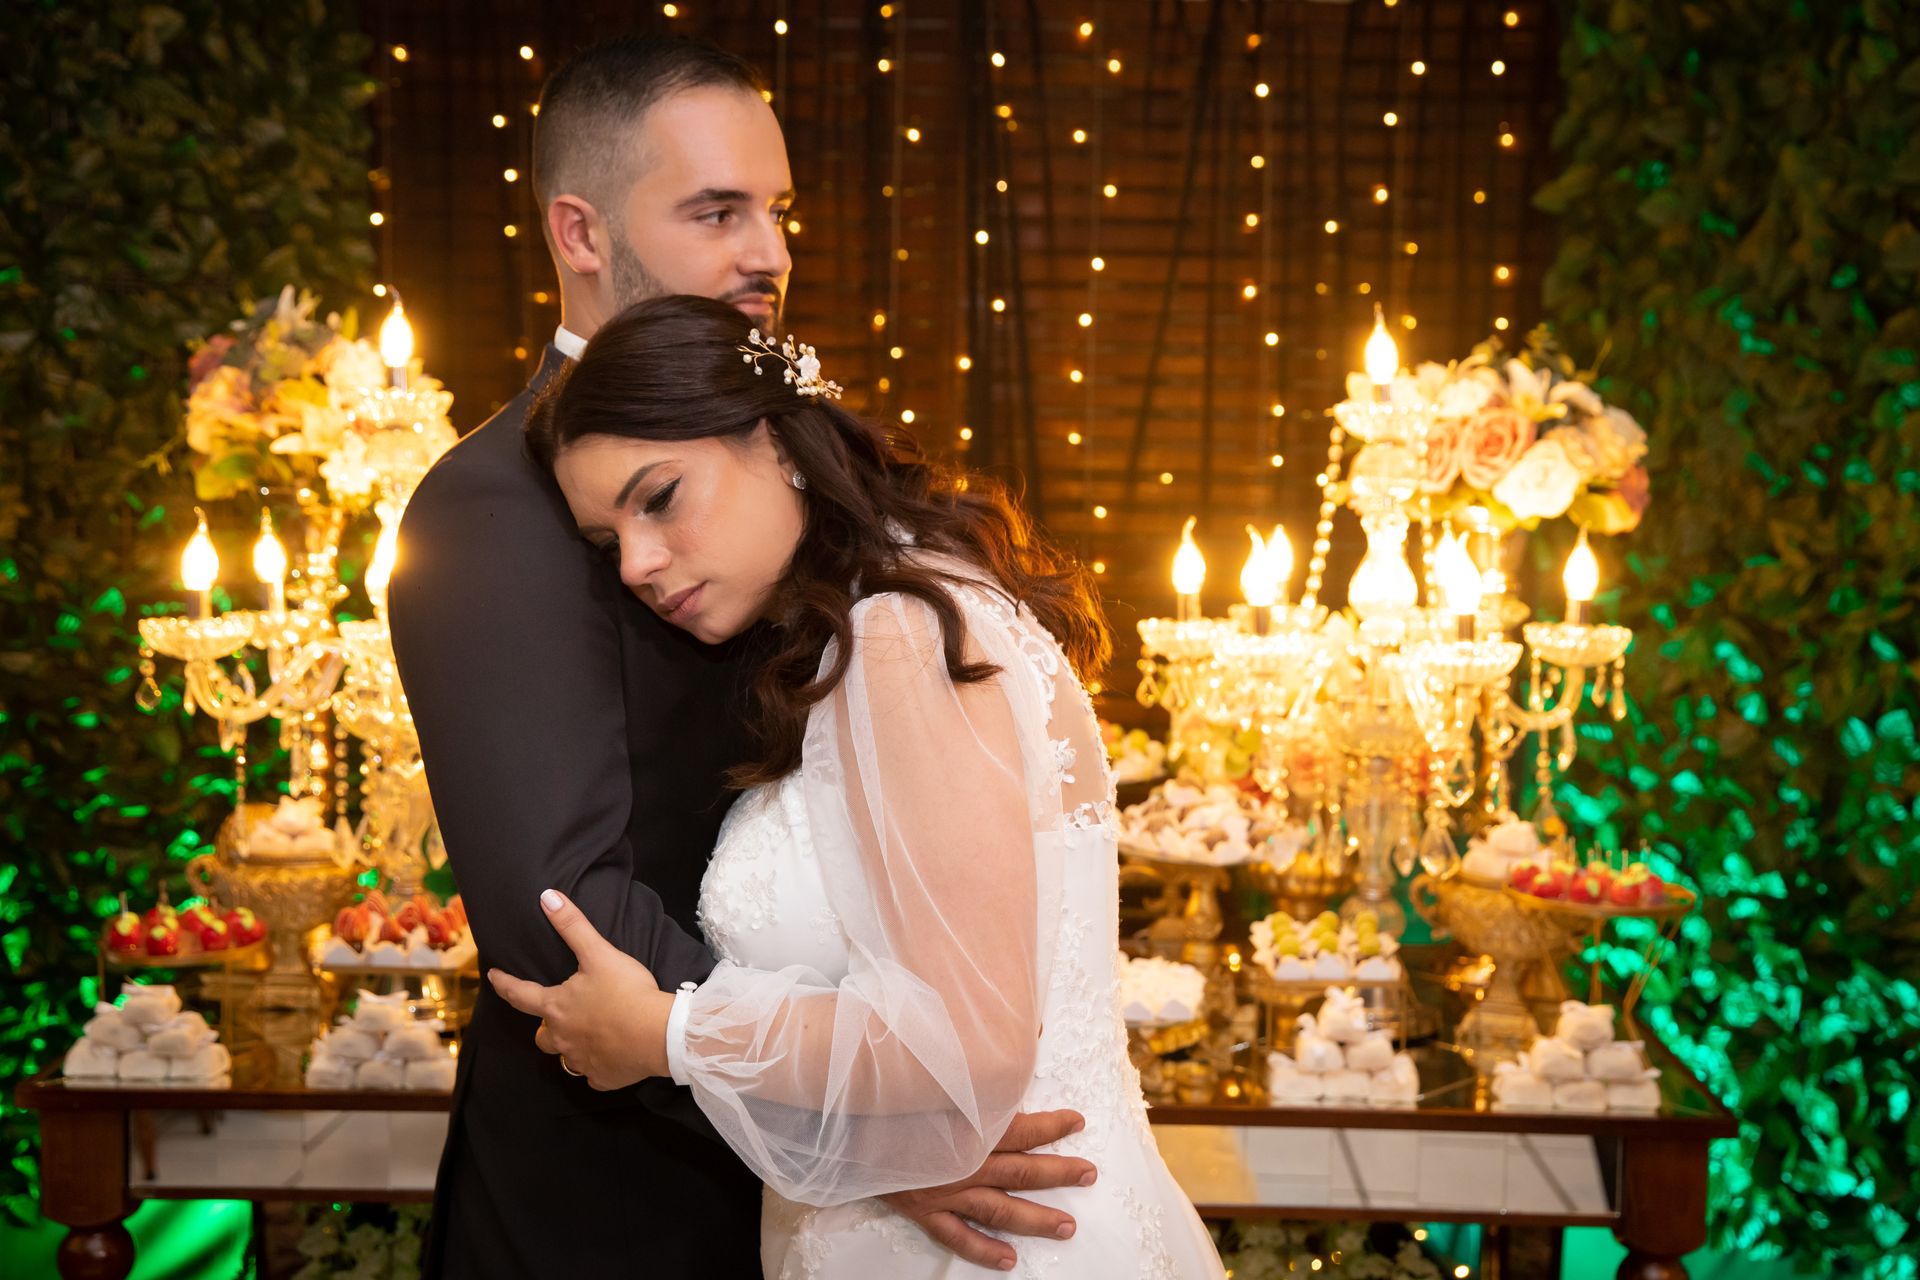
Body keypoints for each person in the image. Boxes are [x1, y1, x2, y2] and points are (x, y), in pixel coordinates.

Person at [391, 34, 1092, 1278]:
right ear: (581, 232)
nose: (767, 250)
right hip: (617, 1207)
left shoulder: (795, 482)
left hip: (814, 1173)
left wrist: (885, 1105)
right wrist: (862, 1122)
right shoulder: (492, 507)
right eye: (715, 210)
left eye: (776, 210)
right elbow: (563, 908)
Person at [489, 293, 1227, 1279]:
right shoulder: (885, 622)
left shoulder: (901, 636)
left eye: (659, 496)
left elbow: (960, 1044)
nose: (637, 561)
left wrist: (667, 1029)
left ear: (777, 441)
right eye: (605, 538)